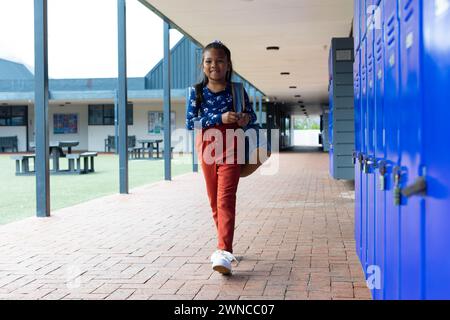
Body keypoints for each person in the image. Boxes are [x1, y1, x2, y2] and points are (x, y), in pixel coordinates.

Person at [186, 40, 257, 275]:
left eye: (219, 61)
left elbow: (252, 117)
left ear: (228, 65)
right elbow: (190, 123)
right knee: (214, 200)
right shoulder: (195, 92)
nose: (214, 65)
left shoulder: (237, 90)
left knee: (225, 198)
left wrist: (243, 119)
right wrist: (219, 117)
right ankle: (225, 245)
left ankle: (223, 251)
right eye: (209, 61)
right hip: (206, 145)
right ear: (202, 65)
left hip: (232, 145)